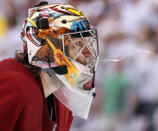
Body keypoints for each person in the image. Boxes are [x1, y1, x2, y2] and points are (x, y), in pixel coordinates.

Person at [0, 1, 99, 131]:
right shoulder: (14, 85)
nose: (89, 56)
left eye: (88, 44)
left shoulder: (62, 103)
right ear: (49, 49)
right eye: (78, 45)